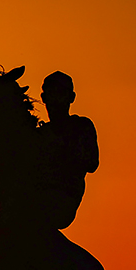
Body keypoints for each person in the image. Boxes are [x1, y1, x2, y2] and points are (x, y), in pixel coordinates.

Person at [34, 71, 98, 230]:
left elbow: (92, 163)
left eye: (60, 93)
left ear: (71, 97)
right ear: (43, 98)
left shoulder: (81, 126)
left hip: (63, 197)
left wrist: (61, 148)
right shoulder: (38, 133)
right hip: (37, 194)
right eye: (51, 92)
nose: (55, 99)